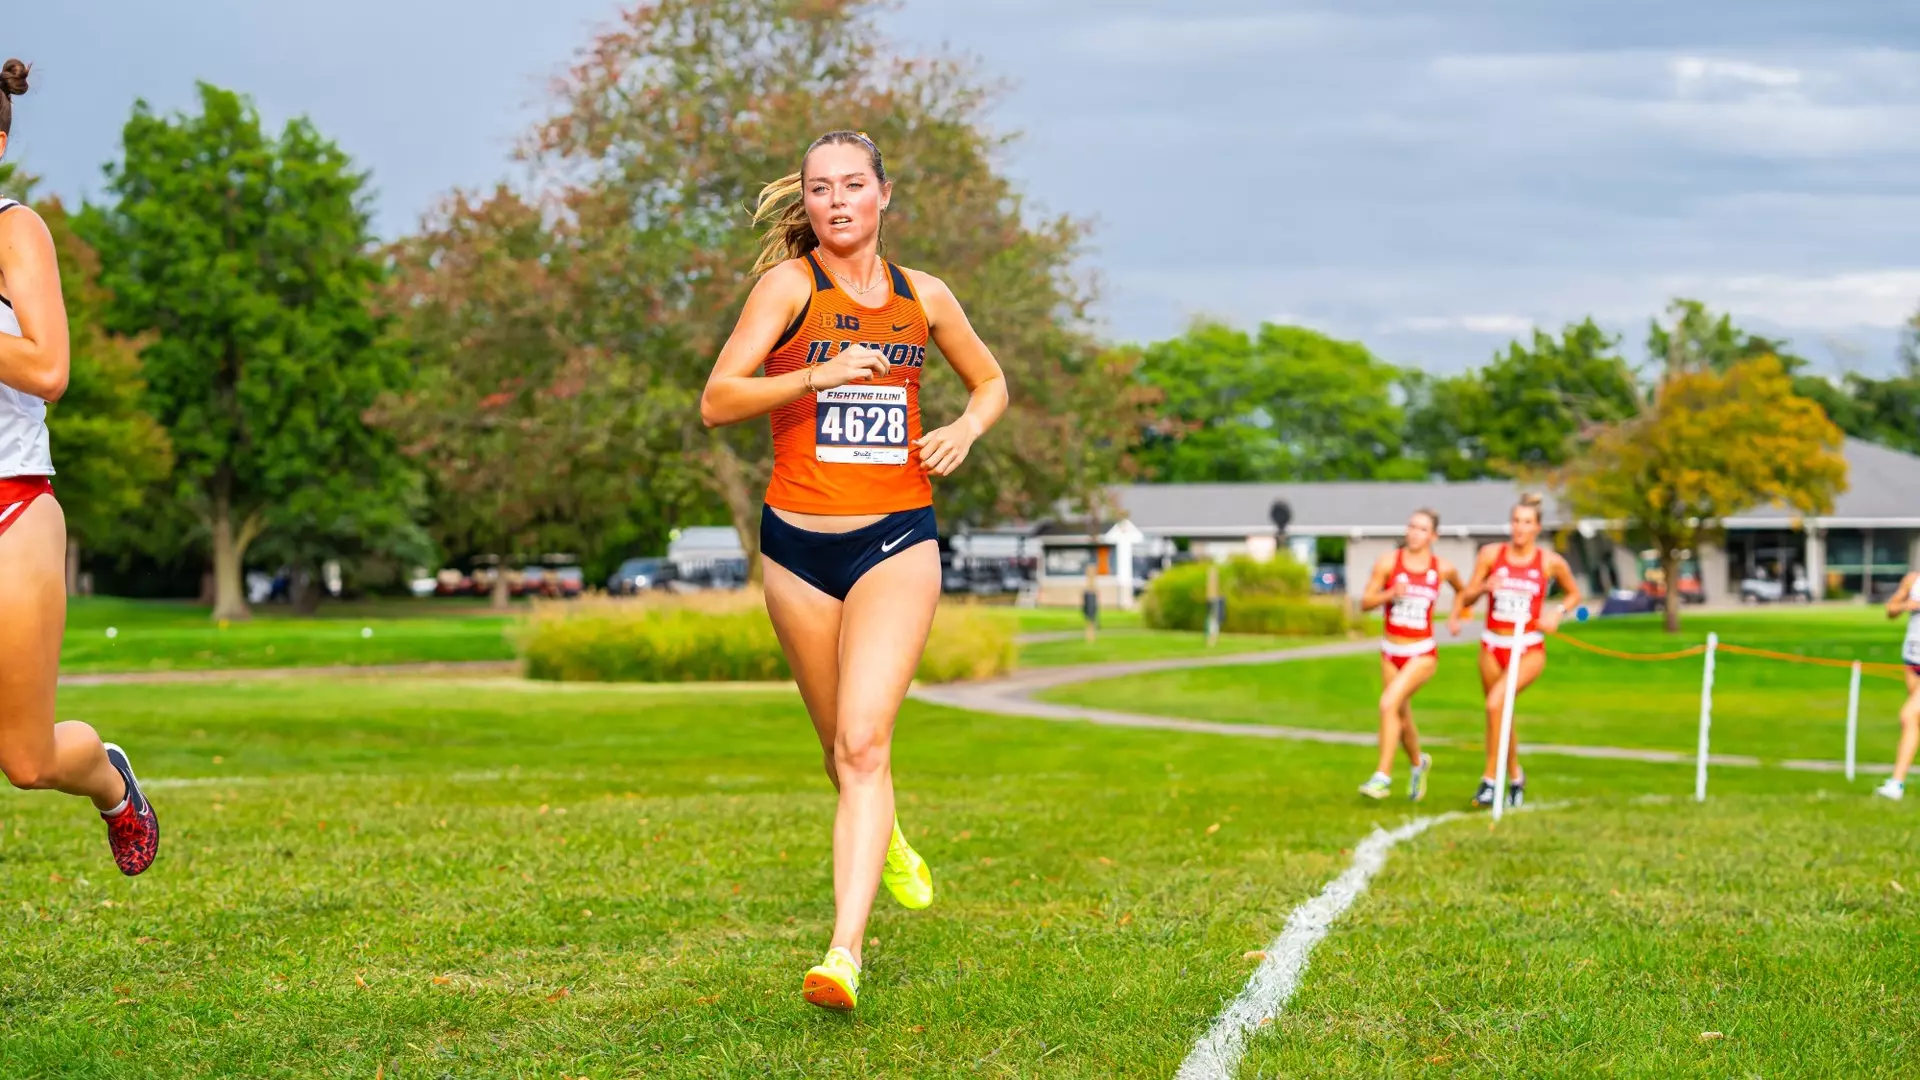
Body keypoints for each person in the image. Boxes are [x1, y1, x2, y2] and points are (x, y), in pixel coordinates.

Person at [700, 130, 1008, 1011]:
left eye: (852, 185)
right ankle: (890, 834)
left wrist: (965, 428)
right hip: (797, 550)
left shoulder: (925, 297)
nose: (836, 200)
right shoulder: (788, 288)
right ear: (808, 204)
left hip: (896, 540)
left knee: (866, 744)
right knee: (840, 752)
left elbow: (990, 383)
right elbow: (718, 399)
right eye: (819, 188)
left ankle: (843, 955)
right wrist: (816, 374)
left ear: (882, 195)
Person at [0, 59, 159, 875]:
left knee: (26, 761)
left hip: (14, 508)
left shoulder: (13, 229)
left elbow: (49, 367)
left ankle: (107, 777)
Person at [1448, 493, 1583, 809]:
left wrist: (1557, 611)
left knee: (1497, 704)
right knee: (1500, 714)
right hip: (1493, 645)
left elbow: (1574, 593)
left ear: (1537, 528)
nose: (1519, 528)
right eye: (1515, 521)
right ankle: (1516, 777)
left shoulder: (1549, 561)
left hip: (1528, 648)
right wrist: (1484, 588)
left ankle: (1489, 781)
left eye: (1526, 522)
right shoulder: (1491, 555)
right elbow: (1466, 598)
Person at [1356, 508, 1464, 802]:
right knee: (1401, 716)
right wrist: (1389, 594)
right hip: (1390, 651)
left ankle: (1382, 776)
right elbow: (1365, 602)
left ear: (1433, 535)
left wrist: (1455, 617)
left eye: (1422, 529)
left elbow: (1463, 592)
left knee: (1388, 703)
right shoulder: (1389, 562)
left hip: (1422, 652)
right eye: (1411, 527)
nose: (1414, 533)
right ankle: (1418, 764)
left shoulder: (1442, 567)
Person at [1876, 571, 1920, 800]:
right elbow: (1890, 610)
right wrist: (1906, 604)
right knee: (1916, 721)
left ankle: (1896, 783)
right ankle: (1897, 784)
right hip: (1913, 659)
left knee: (1909, 715)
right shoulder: (1913, 579)